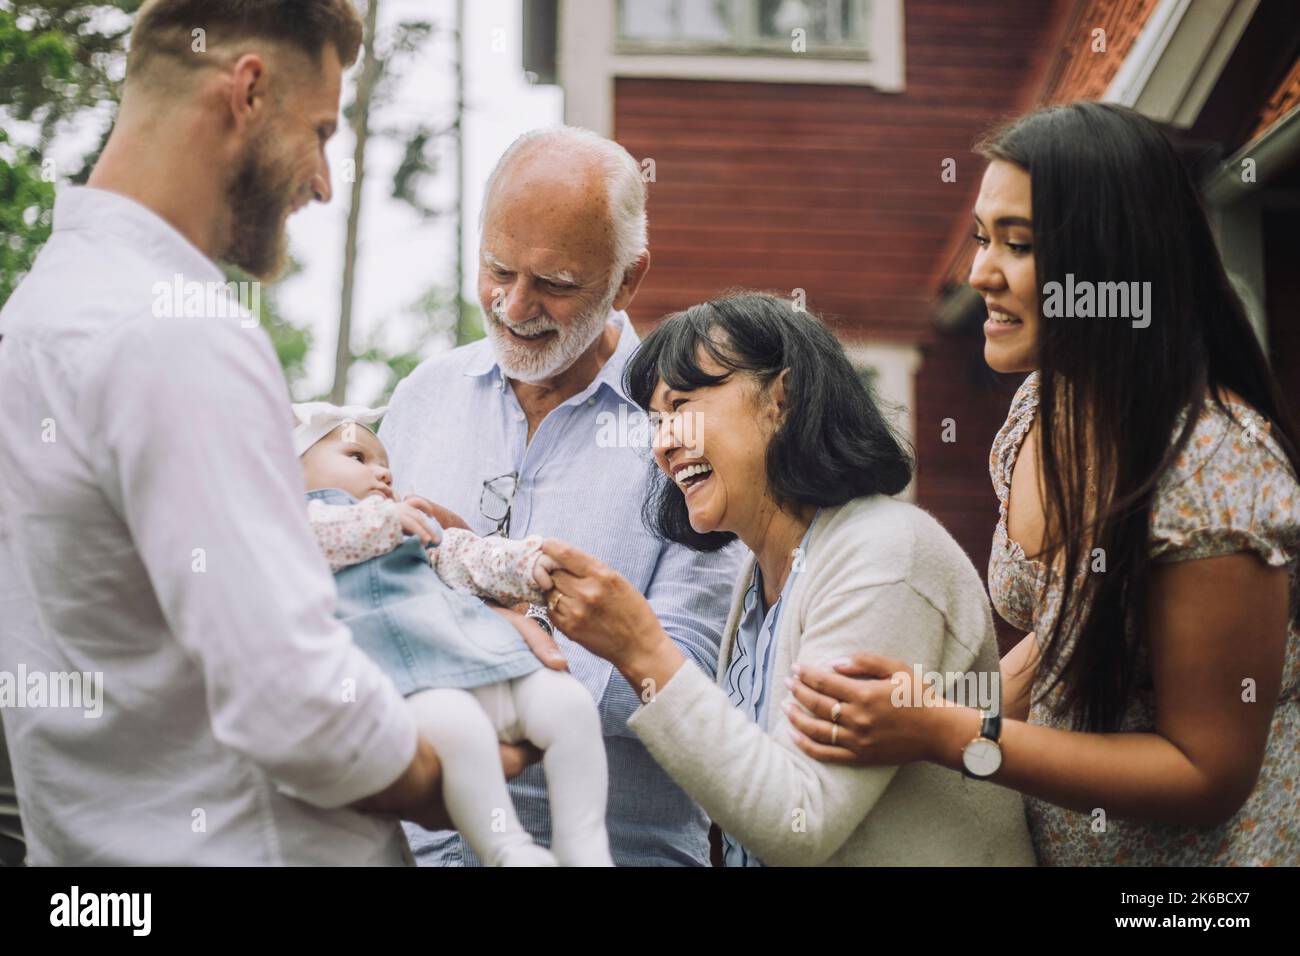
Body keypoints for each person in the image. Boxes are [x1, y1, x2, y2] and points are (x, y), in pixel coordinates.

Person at [0, 0, 534, 865]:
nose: (324, 180)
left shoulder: (38, 313)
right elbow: (292, 701)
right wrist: (471, 756)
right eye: (320, 130)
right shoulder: (178, 333)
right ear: (246, 91)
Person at [793, 102, 1300, 865]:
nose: (979, 274)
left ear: (1113, 264)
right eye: (981, 238)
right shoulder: (1043, 409)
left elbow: (1208, 773)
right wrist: (921, 706)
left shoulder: (1210, 471)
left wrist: (947, 732)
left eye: (1018, 245)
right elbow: (1065, 641)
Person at [537, 292, 1037, 865]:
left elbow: (800, 823)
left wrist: (639, 649)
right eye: (656, 421)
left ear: (783, 397)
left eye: (682, 406)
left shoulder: (885, 556)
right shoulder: (760, 579)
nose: (663, 442)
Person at [379, 126, 747, 866]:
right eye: (497, 268)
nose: (515, 305)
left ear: (628, 279)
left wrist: (466, 634)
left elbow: (681, 682)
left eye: (555, 283)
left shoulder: (688, 430)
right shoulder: (422, 398)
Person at [293, 402, 612, 867]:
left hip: (474, 660)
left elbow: (468, 556)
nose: (382, 474)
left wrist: (528, 566)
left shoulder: (411, 526)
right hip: (405, 686)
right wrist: (380, 522)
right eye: (358, 458)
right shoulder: (289, 527)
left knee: (569, 704)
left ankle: (583, 845)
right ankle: (508, 850)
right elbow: (310, 537)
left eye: (386, 464)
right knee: (458, 728)